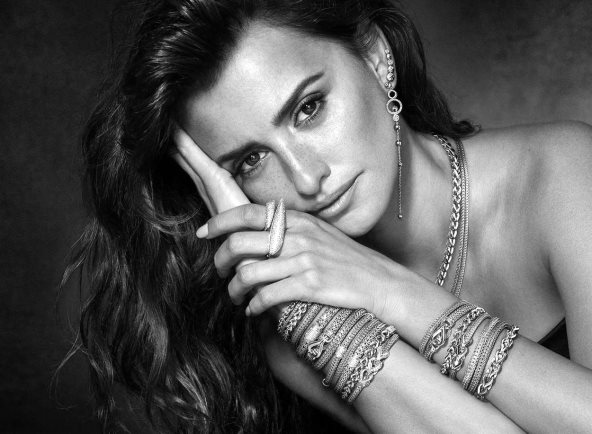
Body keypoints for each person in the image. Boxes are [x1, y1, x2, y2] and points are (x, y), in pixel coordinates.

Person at [62, 0, 592, 432]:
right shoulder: (294, 323)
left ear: (375, 56)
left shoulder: (562, 174)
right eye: (251, 160)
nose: (306, 178)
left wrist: (388, 290)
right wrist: (319, 318)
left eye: (308, 108)